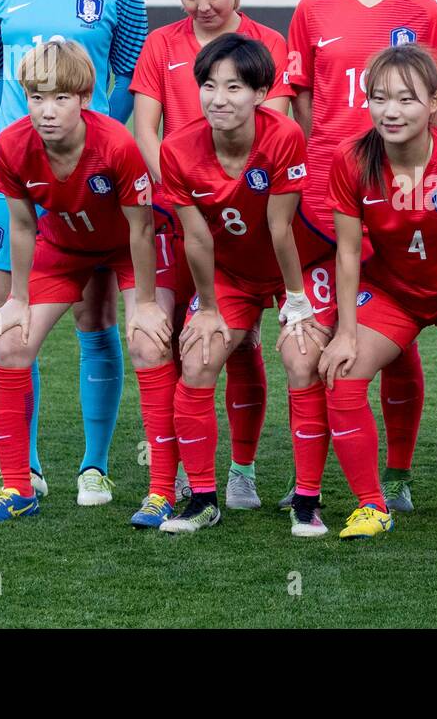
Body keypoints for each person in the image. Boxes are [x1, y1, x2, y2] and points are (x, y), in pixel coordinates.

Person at [0, 0, 148, 506]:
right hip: (13, 176)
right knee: (13, 316)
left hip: (94, 178)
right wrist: (30, 136)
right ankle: (28, 470)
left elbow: (128, 75)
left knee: (95, 316)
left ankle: (94, 466)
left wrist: (91, 140)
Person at [283, 0, 437, 513]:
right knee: (318, 342)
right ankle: (311, 482)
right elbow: (300, 98)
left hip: (398, 201)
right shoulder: (313, 9)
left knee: (396, 334)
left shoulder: (426, 12)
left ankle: (400, 472)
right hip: (328, 203)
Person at [129, 0, 293, 510]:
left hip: (252, 216)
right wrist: (177, 187)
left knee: (245, 341)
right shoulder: (161, 45)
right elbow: (146, 126)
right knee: (177, 342)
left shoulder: (268, 44)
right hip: (182, 214)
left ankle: (242, 472)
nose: (201, 6)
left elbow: (278, 127)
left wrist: (224, 191)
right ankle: (174, 473)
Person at [0, 41, 171, 523]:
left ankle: (162, 490)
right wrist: (18, 298)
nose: (47, 110)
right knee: (11, 346)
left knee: (148, 342)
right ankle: (18, 487)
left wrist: (144, 302)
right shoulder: (11, 144)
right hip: (62, 249)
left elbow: (143, 228)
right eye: (37, 97)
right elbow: (22, 225)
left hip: (127, 247)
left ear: (84, 98)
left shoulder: (117, 145)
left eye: (61, 98)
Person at [318, 44, 437, 542]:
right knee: (342, 373)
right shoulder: (351, 159)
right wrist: (345, 332)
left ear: (433, 104)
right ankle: (371, 505)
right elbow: (346, 252)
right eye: (379, 98)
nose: (391, 110)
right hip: (392, 290)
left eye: (405, 99)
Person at [157, 34, 334, 535]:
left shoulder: (283, 136)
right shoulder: (176, 150)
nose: (219, 98)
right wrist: (208, 309)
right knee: (199, 356)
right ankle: (204, 500)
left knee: (302, 358)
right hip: (231, 273)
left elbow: (281, 229)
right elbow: (195, 237)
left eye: (234, 87)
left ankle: (306, 500)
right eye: (209, 86)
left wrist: (296, 302)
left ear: (260, 93)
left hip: (297, 265)